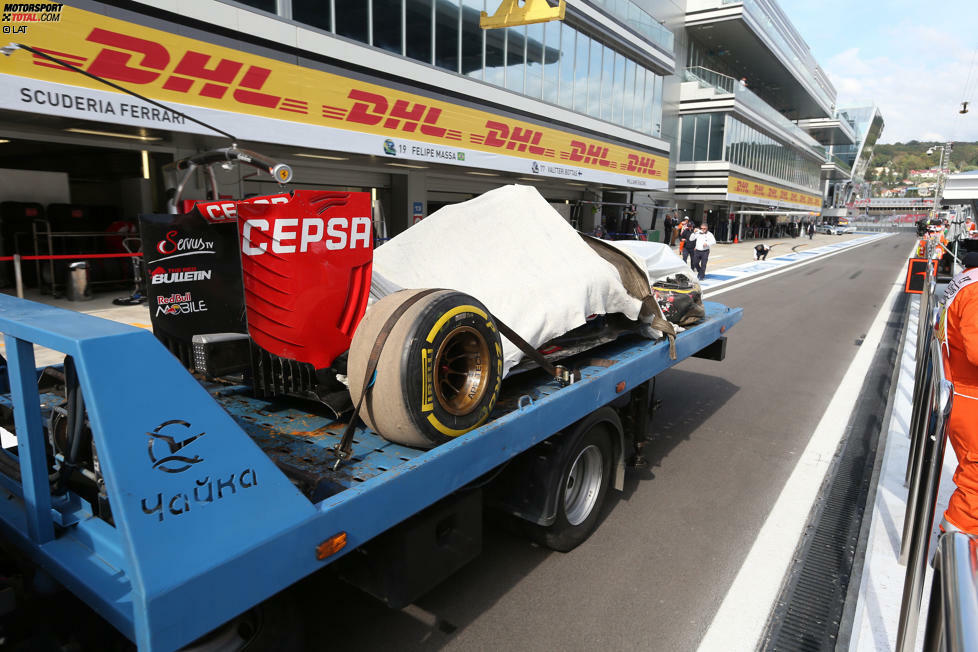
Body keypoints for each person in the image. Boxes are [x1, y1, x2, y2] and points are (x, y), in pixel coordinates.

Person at [937, 251, 978, 535]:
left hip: (958, 389)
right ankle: (954, 554)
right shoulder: (976, 291)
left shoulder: (967, 279)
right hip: (969, 394)